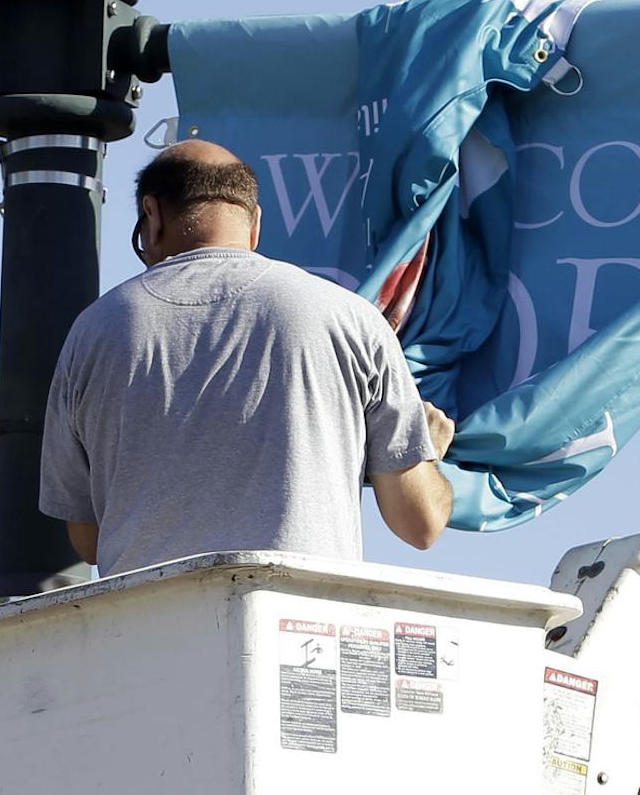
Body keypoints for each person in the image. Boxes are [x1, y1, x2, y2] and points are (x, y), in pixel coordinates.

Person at [39, 138, 457, 579]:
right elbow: (420, 524)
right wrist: (427, 455)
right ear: (254, 222)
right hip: (301, 629)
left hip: (149, 631)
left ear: (152, 214)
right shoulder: (350, 318)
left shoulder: (93, 331)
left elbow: (88, 539)